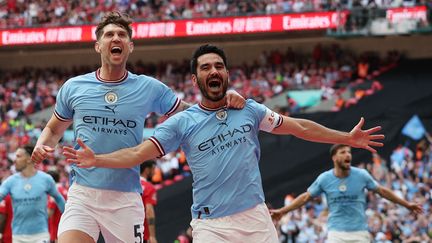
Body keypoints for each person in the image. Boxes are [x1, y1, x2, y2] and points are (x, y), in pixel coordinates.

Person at [62, 44, 385, 243]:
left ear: (227, 74)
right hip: (211, 226)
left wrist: (345, 138)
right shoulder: (181, 124)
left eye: (218, 66)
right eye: (205, 68)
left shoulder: (249, 109)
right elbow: (137, 153)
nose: (213, 71)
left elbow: (297, 127)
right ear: (195, 80)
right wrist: (97, 160)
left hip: (256, 219)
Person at [30, 12, 244, 243]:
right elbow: (53, 129)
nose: (116, 38)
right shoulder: (74, 87)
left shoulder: (148, 87)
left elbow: (189, 113)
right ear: (97, 45)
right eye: (109, 34)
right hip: (83, 194)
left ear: (130, 46)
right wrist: (42, 145)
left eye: (122, 35)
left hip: (125, 198)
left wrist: (222, 100)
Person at [270, 144, 423, 242]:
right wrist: (282, 211)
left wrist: (407, 204)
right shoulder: (325, 178)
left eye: (349, 152)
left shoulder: (362, 175)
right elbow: (305, 197)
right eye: (343, 152)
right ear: (334, 157)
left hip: (360, 233)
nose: (348, 155)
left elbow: (382, 191)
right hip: (336, 234)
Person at [0, 145, 66, 243]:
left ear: (28, 159)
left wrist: (67, 221)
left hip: (40, 235)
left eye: (18, 156)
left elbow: (59, 199)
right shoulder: (10, 182)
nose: (15, 160)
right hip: (18, 236)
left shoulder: (45, 179)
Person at [46, 170, 68, 243]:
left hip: (56, 231)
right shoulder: (64, 189)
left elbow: (49, 213)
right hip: (64, 228)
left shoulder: (54, 192)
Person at [140, 161, 158, 243]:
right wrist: (152, 236)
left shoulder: (130, 185)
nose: (155, 172)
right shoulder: (148, 187)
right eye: (153, 169)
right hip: (142, 233)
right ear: (147, 170)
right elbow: (149, 212)